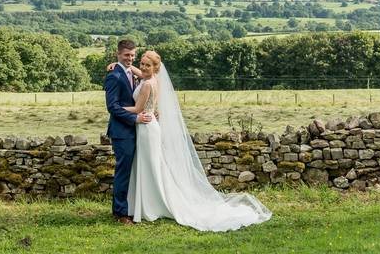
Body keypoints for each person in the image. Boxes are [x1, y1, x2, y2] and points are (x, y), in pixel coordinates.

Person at [109, 50, 272, 232]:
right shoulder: (155, 79)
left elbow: (138, 107)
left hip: (146, 126)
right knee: (151, 165)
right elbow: (135, 71)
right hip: (149, 125)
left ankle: (154, 205)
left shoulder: (147, 84)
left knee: (151, 166)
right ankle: (145, 204)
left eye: (148, 64)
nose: (143, 67)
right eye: (142, 63)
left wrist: (115, 107)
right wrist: (118, 65)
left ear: (155, 68)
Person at [104, 38, 154, 224]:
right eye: (126, 55)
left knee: (133, 171)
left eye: (133, 55)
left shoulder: (130, 72)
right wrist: (135, 118)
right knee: (123, 172)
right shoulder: (114, 76)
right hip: (121, 131)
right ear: (118, 54)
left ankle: (133, 207)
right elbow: (113, 107)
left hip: (135, 130)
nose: (130, 58)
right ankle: (120, 213)